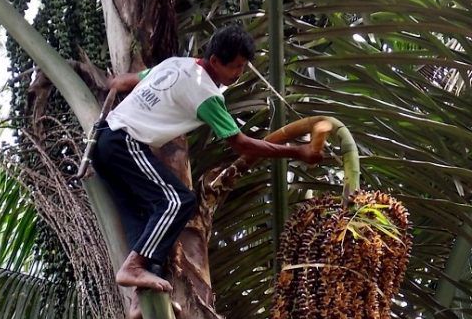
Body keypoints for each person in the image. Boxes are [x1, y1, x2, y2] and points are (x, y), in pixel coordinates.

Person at [91, 25, 322, 295]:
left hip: (103, 142)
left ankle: (139, 298)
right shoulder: (205, 93)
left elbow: (132, 80)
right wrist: (299, 152)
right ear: (214, 61)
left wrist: (115, 82)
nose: (239, 74)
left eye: (243, 67)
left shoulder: (177, 63)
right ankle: (132, 267)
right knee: (178, 201)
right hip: (124, 144)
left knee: (147, 221)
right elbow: (241, 143)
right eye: (235, 67)